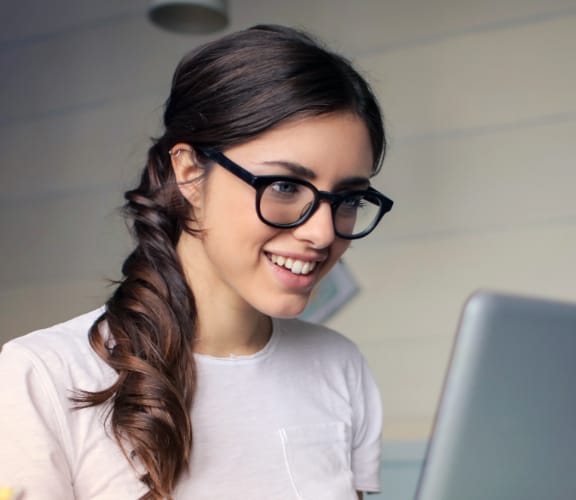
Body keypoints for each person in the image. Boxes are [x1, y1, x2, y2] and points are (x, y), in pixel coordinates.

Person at [0, 24, 393, 500]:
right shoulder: (44, 375)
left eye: (348, 198)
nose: (323, 233)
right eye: (286, 187)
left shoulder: (339, 365)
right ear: (188, 172)